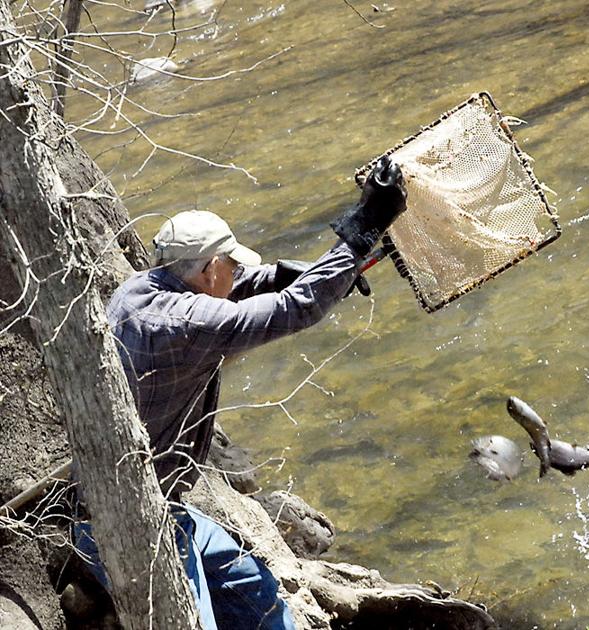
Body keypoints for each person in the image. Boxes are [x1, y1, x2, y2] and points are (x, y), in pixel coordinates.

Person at [73, 158, 407, 629]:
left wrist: (278, 276)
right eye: (231, 265)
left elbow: (234, 295)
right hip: (133, 529)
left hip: (164, 510)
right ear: (210, 269)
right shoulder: (185, 324)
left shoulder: (139, 292)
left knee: (261, 599)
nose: (235, 273)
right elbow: (296, 310)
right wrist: (364, 226)